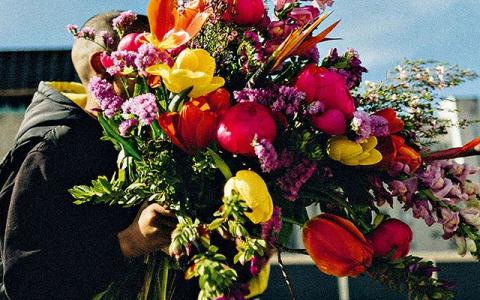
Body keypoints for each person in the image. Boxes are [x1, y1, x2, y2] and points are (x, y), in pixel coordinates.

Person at [0, 11, 196, 299]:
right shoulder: (54, 149)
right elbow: (26, 279)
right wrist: (129, 242)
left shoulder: (154, 147)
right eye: (151, 55)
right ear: (103, 66)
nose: (166, 69)